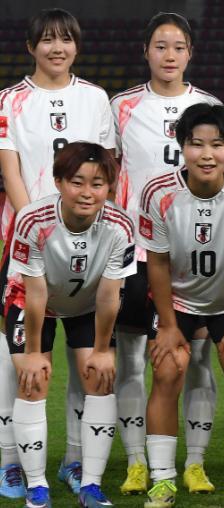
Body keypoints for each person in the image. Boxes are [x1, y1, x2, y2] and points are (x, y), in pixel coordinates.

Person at [0, 8, 115, 498]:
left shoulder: (95, 97)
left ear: (76, 46)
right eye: (47, 39)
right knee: (22, 360)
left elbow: (106, 168)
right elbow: (10, 170)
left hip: (86, 244)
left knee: (86, 358)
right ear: (31, 47)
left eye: (65, 39)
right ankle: (11, 462)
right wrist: (39, 228)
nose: (57, 48)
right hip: (26, 242)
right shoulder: (10, 99)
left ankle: (74, 462)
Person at [110, 11, 222, 496]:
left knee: (196, 359)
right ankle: (138, 461)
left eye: (178, 47)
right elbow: (108, 173)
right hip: (136, 253)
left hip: (196, 254)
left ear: (190, 53)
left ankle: (194, 463)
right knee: (133, 359)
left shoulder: (209, 105)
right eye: (160, 46)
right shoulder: (121, 106)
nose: (169, 55)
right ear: (146, 52)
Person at [138, 103, 224, 508]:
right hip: (177, 299)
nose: (207, 154)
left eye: (218, 144)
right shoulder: (158, 192)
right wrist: (167, 325)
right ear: (182, 146)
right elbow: (157, 262)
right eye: (197, 144)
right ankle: (162, 481)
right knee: (168, 369)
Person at [6, 142, 133, 508]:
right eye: (77, 182)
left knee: (100, 378)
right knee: (33, 381)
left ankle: (90, 486)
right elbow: (35, 292)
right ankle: (37, 488)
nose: (87, 192)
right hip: (32, 301)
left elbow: (109, 294)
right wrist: (33, 353)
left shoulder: (119, 226)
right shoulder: (33, 220)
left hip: (87, 303)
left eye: (98, 183)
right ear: (59, 182)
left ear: (109, 186)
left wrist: (102, 350)